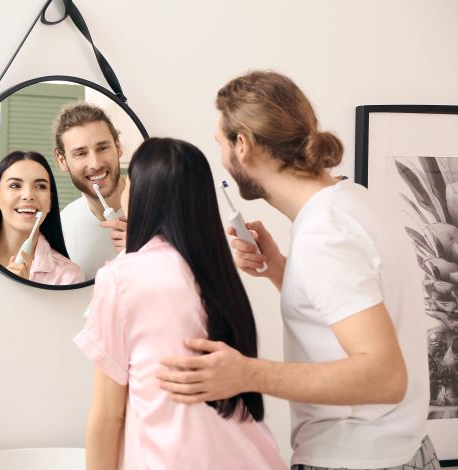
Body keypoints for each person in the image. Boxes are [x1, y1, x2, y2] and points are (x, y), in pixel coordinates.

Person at [157, 71, 440, 469]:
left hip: (357, 461)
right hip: (401, 453)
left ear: (243, 145)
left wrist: (246, 374)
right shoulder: (352, 201)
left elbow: (385, 377)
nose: (221, 156)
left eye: (220, 143)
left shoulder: (326, 232)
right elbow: (353, 310)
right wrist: (282, 273)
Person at [74, 137, 287, 470]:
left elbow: (108, 416)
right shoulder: (217, 273)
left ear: (144, 195)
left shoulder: (120, 278)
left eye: (129, 183)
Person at [0, 150, 84, 285]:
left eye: (40, 186)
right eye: (15, 185)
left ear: (50, 203)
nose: (28, 195)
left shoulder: (69, 276)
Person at [53, 102, 128, 279]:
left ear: (118, 146)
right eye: (80, 153)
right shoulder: (62, 228)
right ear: (62, 160)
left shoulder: (164, 210)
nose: (95, 164)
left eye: (102, 148)